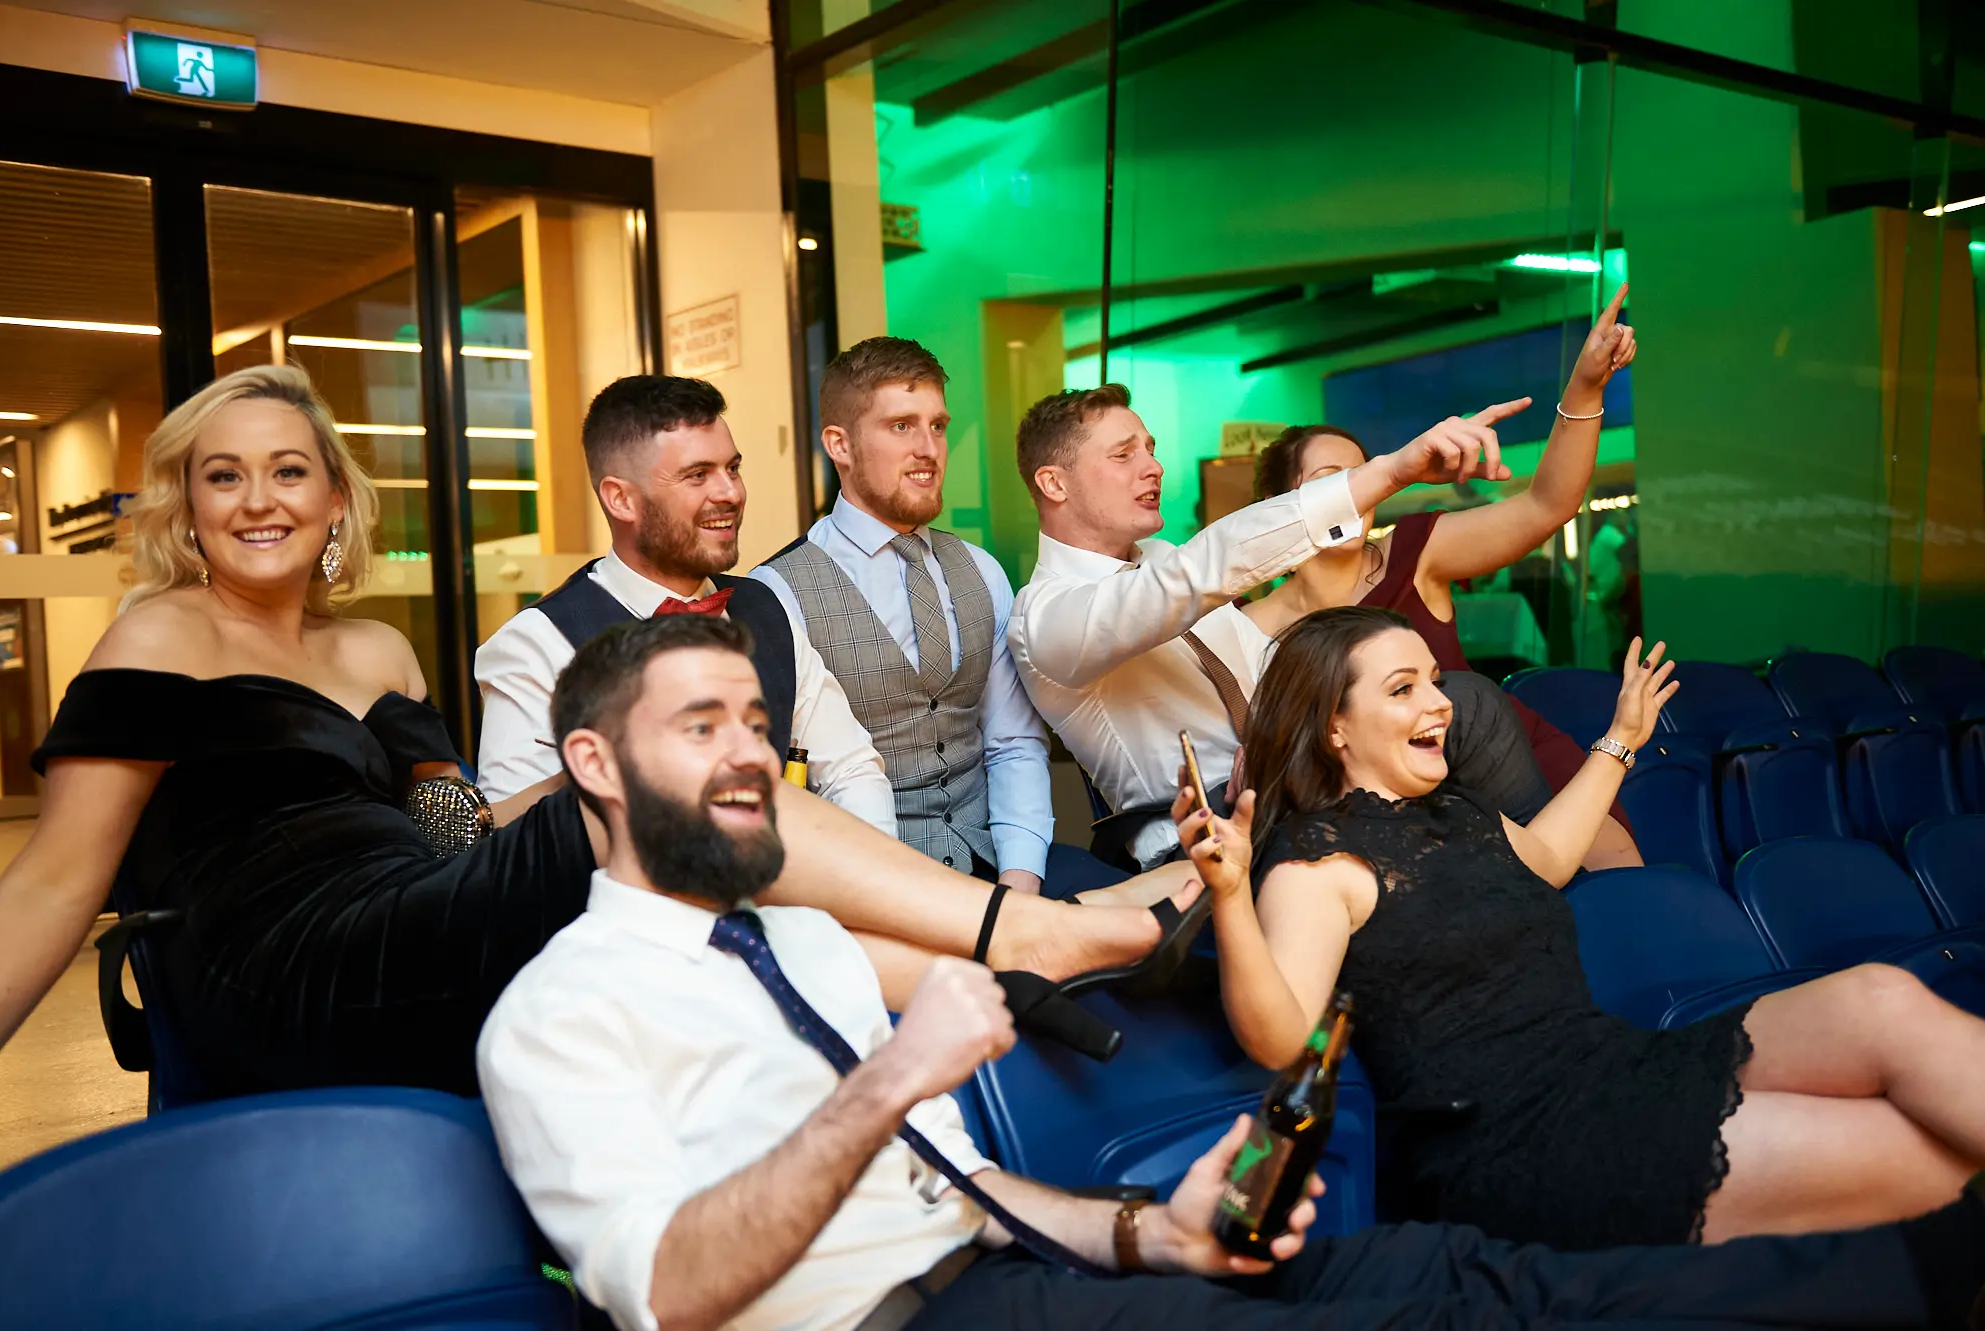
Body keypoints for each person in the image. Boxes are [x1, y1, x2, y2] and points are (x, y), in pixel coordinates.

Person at [478, 611, 1985, 1331]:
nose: (750, 750)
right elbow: (666, 1290)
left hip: (1024, 1261)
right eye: (703, 727)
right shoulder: (552, 1014)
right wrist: (890, 1078)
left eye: (757, 720)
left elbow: (974, 1198)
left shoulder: (805, 936)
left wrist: (1153, 1232)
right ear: (593, 763)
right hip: (916, 1322)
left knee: (1446, 1281)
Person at [0, 366, 1212, 1092]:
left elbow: (456, 827)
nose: (261, 500)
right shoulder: (157, 635)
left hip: (419, 911)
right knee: (706, 774)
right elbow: (49, 885)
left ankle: (1011, 957)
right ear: (186, 504)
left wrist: (603, 780)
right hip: (285, 959)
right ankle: (1048, 930)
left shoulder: (375, 650)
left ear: (334, 499)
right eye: (225, 475)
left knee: (687, 810)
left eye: (290, 471)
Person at [1174, 605, 1985, 1251]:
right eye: (1402, 689)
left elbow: (1554, 856)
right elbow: (1281, 1039)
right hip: (1522, 1148)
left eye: (1433, 679)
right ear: (1333, 727)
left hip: (1611, 1065)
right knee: (1916, 1152)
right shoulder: (1316, 863)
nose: (1440, 703)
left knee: (1883, 994)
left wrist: (1624, 737)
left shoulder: (1457, 811)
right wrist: (1233, 895)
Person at [1006, 379, 1520, 867]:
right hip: (1205, 836)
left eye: (1150, 449)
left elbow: (1267, 668)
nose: (1154, 467)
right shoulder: (1044, 617)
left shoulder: (1161, 557)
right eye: (1124, 455)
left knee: (1459, 710)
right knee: (1468, 714)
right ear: (1054, 483)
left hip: (1296, 788)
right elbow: (1196, 574)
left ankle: (1556, 880)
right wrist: (1388, 473)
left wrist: (1276, 737)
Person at [1234, 285, 1639, 867]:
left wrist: (1586, 386)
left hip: (1513, 767)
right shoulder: (1248, 630)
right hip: (1395, 822)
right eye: (1328, 478)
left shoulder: (1415, 551)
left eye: (1363, 476)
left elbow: (1547, 504)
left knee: (1617, 897)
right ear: (1278, 501)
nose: (1351, 494)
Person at [753, 337, 1113, 898]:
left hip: (996, 867)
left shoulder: (981, 570)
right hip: (864, 887)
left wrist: (1019, 884)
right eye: (901, 426)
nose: (928, 448)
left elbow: (1012, 742)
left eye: (938, 426)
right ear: (839, 445)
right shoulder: (774, 593)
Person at [474, 374, 895, 834]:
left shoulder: (765, 606)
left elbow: (852, 770)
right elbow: (521, 849)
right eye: (698, 475)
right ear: (621, 499)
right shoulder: (534, 647)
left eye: (732, 468)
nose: (731, 493)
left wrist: (859, 895)